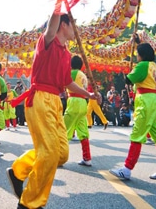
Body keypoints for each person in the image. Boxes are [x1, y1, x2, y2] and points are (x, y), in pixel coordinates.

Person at [6, 12, 99, 209]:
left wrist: (88, 95)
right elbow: (51, 28)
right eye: (73, 25)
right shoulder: (47, 42)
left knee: (61, 154)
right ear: (63, 25)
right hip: (40, 98)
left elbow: (68, 82)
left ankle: (18, 170)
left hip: (56, 101)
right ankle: (29, 203)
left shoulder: (66, 53)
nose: (77, 31)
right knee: (49, 153)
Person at [110, 36, 156, 181]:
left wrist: (128, 71)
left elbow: (128, 79)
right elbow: (145, 54)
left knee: (137, 134)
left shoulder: (142, 66)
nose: (136, 56)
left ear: (142, 55)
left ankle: (126, 169)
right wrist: (139, 43)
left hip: (145, 102)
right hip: (154, 101)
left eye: (138, 54)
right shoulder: (153, 65)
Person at [63, 55, 93, 166]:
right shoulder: (84, 75)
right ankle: (87, 158)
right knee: (83, 131)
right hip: (83, 103)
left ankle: (60, 157)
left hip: (74, 101)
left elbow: (63, 83)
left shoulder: (72, 73)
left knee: (65, 130)